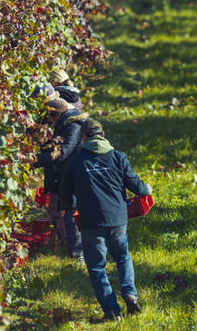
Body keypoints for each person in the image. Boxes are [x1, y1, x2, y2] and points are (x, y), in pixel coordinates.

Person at [60, 118, 151, 321]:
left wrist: (65, 208)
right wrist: (148, 189)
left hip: (92, 221)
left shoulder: (75, 162)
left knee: (96, 266)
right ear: (102, 135)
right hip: (118, 218)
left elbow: (65, 196)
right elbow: (138, 186)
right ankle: (130, 294)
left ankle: (111, 311)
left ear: (83, 137)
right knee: (123, 257)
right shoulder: (118, 157)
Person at [34, 97, 87, 259]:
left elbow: (62, 153)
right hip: (59, 175)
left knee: (65, 212)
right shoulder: (61, 123)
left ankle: (76, 252)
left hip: (68, 176)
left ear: (59, 114)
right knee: (57, 211)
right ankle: (67, 246)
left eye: (51, 116)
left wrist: (34, 161)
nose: (49, 120)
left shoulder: (72, 127)